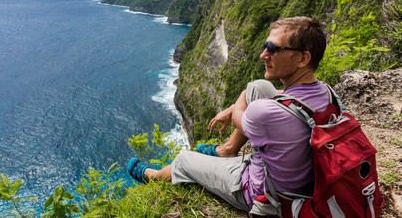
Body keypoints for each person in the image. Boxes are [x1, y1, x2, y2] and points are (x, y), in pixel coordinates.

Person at [128, 16, 329, 213]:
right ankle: (228, 150)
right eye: (265, 45)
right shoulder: (328, 94)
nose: (264, 55)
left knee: (184, 159)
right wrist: (244, 97)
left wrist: (237, 103)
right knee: (259, 87)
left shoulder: (266, 113)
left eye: (274, 49)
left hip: (265, 194)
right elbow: (281, 97)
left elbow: (239, 117)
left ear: (303, 58)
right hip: (300, 178)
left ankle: (154, 176)